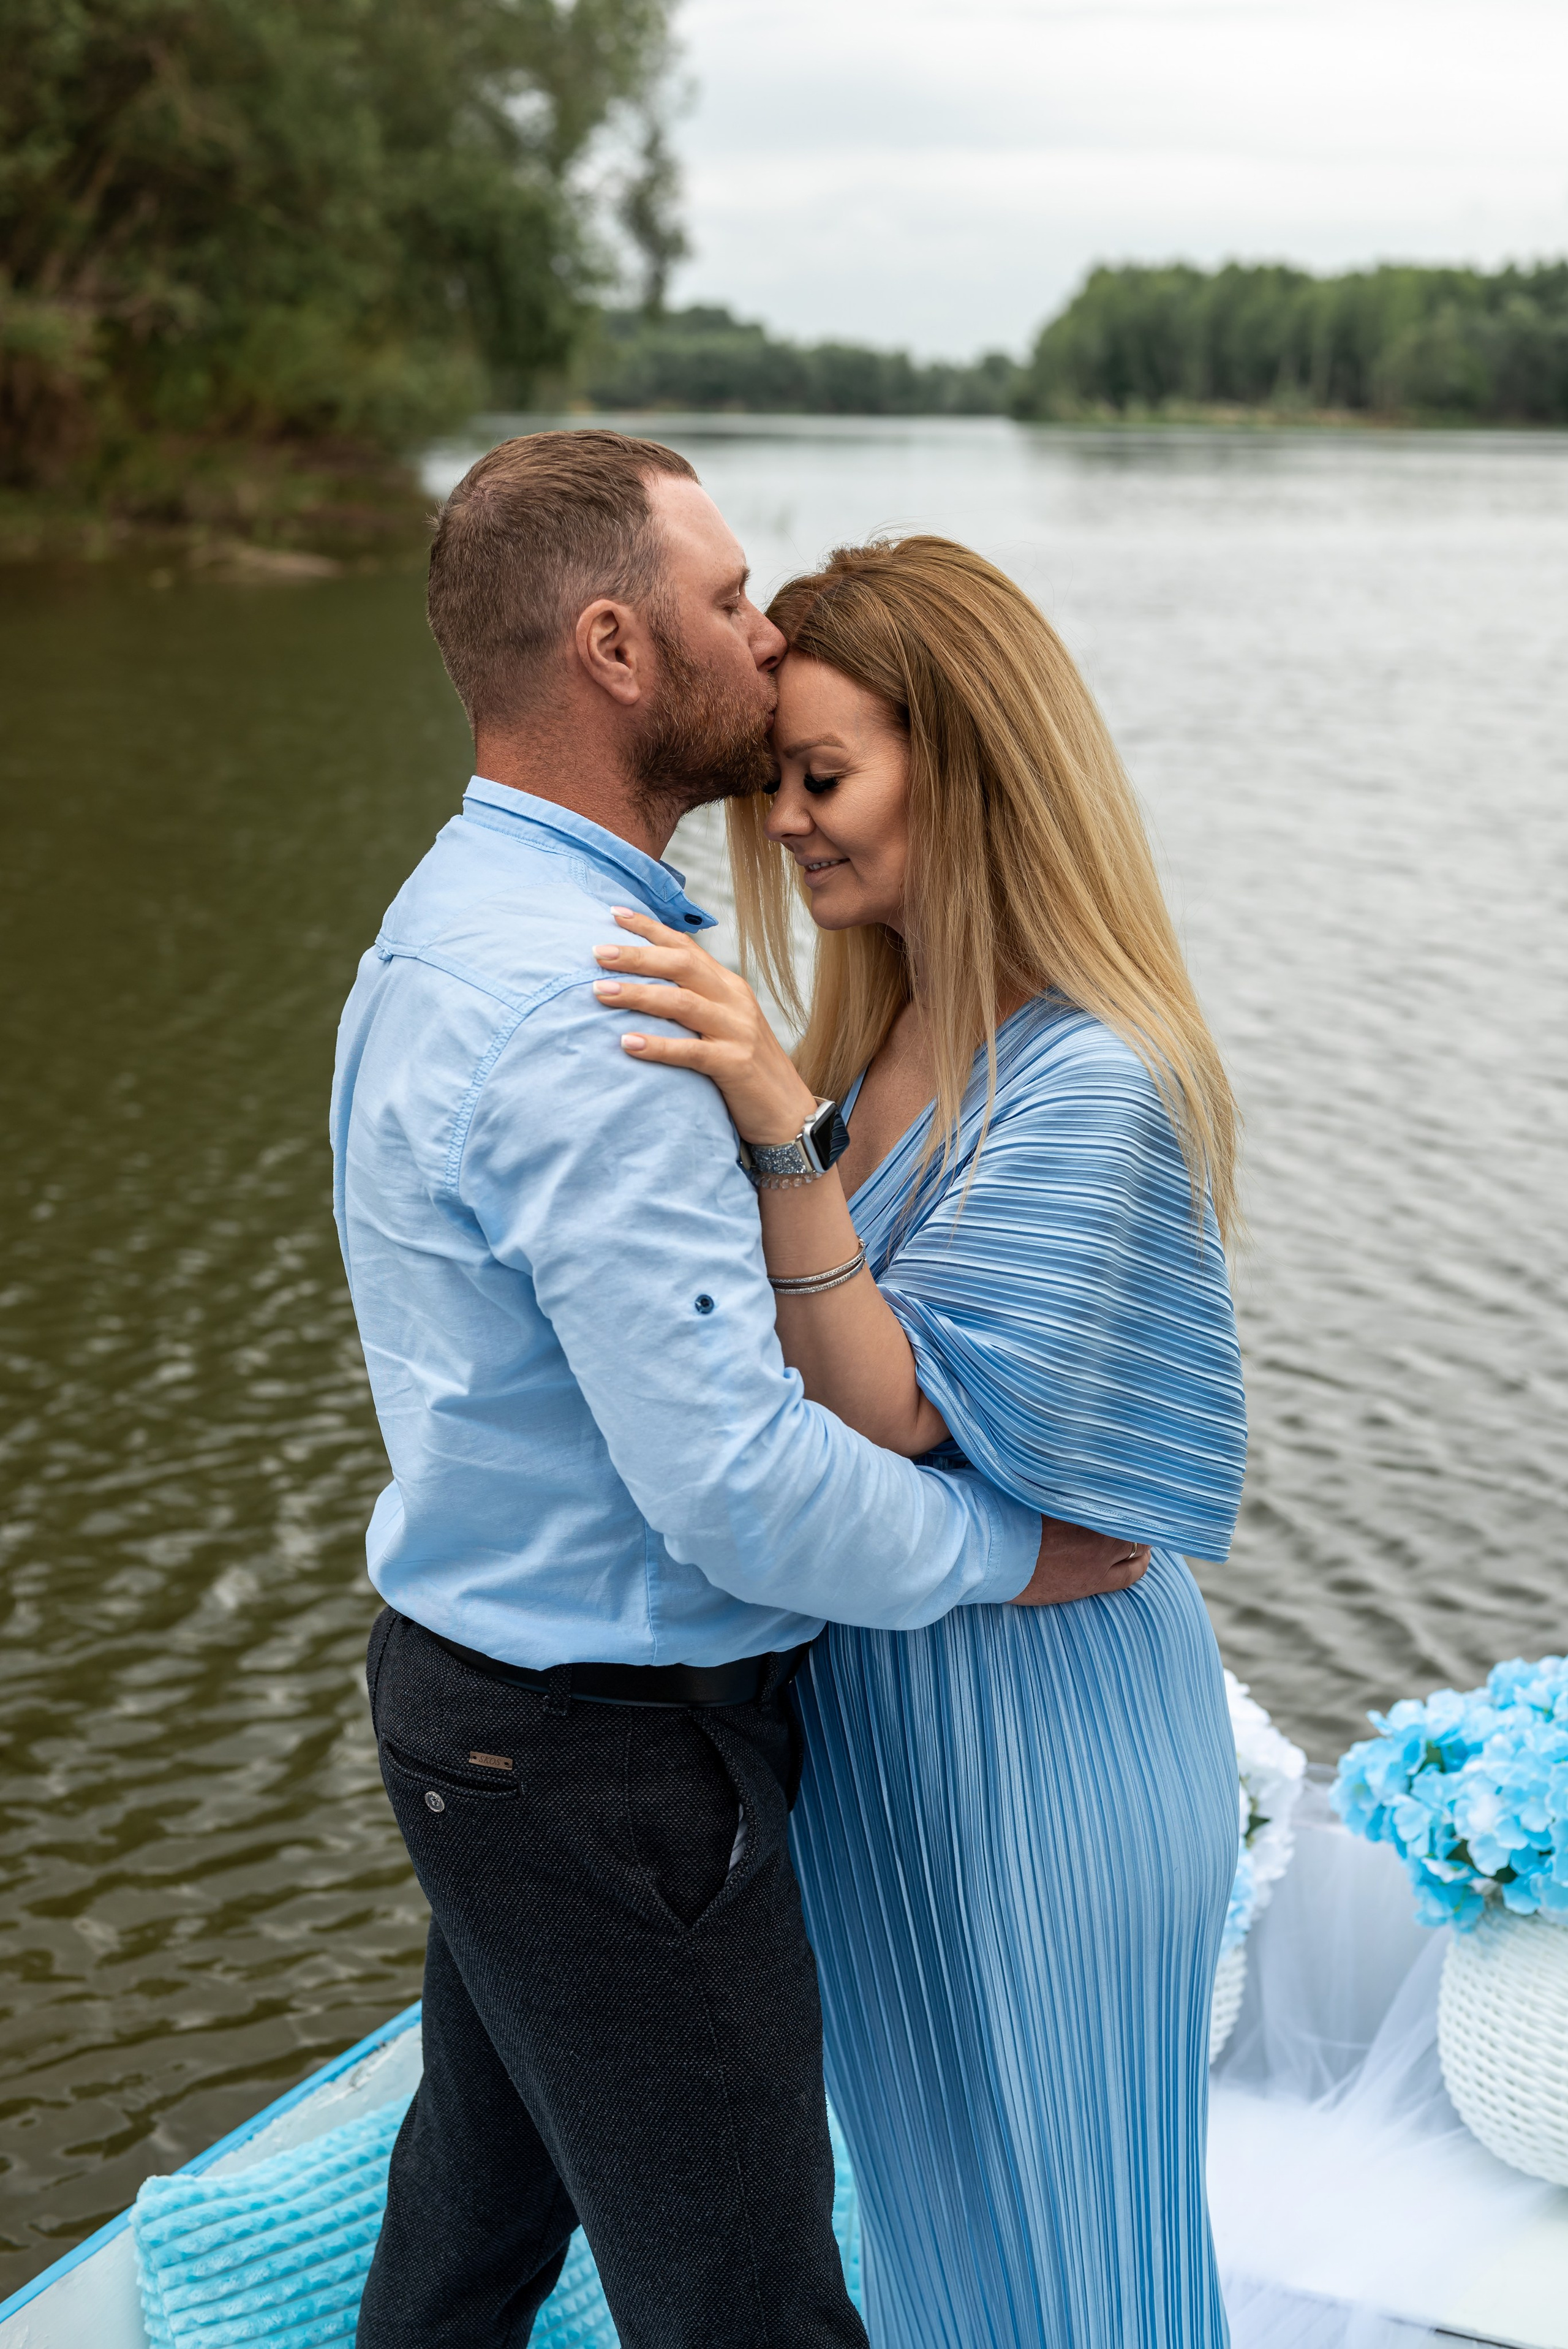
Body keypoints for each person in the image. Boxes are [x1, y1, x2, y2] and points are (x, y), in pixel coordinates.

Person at [331, 436, 1145, 2349]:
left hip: (478, 1699)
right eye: (725, 598)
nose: (763, 630)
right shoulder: (590, 1010)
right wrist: (1018, 1547)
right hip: (610, 1755)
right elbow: (746, 1498)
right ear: (614, 647)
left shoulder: (454, 914)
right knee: (750, 2310)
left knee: (472, 2222)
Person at [591, 534, 1248, 2347]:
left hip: (1052, 1732)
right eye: (779, 779)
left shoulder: (1090, 1077)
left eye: (825, 775)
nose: (788, 821)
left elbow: (889, 1401)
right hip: (881, 1741)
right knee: (941, 2245)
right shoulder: (868, 1050)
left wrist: (771, 1126)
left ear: (963, 763)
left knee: (1088, 2258)